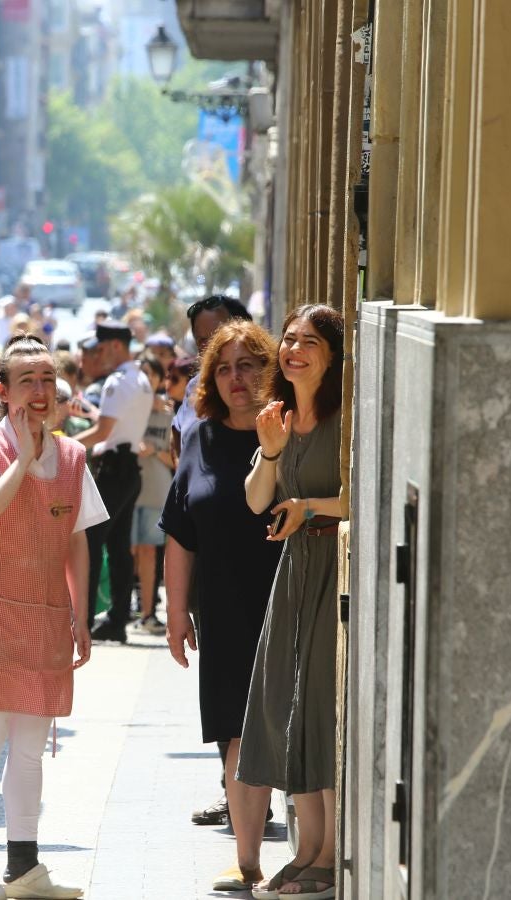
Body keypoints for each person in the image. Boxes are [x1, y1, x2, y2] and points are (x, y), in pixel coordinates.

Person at [0, 334, 106, 900]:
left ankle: (26, 867)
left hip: (45, 620)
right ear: (2, 391)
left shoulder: (71, 457)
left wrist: (81, 615)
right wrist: (21, 458)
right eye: (27, 382)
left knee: (32, 750)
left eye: (47, 379)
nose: (40, 392)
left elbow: (77, 541)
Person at [159, 321, 284, 892]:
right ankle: (249, 861)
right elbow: (180, 534)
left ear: (270, 370)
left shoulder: (291, 433)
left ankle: (311, 854)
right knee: (235, 735)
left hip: (286, 601)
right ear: (212, 379)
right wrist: (177, 614)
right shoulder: (200, 440)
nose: (237, 379)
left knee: (290, 729)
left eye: (249, 365)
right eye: (225, 368)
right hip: (224, 612)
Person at [239, 304, 346, 900]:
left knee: (321, 706)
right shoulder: (277, 417)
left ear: (331, 355)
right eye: (288, 340)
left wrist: (311, 509)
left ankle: (329, 854)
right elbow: (257, 500)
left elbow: (362, 496)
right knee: (288, 701)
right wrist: (272, 451)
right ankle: (308, 849)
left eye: (309, 341)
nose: (293, 349)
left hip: (335, 565)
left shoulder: (346, 415)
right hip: (295, 570)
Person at [73, 321, 153, 643]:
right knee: (118, 546)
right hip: (128, 466)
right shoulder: (142, 378)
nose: (97, 354)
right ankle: (116, 618)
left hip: (114, 467)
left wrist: (58, 446)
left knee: (90, 543)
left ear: (116, 346)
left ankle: (86, 617)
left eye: (101, 348)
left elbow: (102, 432)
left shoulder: (118, 382)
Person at [171, 294, 252, 450]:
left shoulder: (271, 385)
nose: (212, 347)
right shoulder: (195, 385)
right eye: (203, 341)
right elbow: (179, 434)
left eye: (219, 336)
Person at [130, 355, 174, 634]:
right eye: (141, 373)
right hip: (128, 487)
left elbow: (178, 460)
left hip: (156, 489)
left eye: (151, 374)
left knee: (147, 551)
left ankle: (147, 613)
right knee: (125, 552)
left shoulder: (169, 413)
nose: (146, 379)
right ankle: (121, 609)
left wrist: (154, 451)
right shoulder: (128, 409)